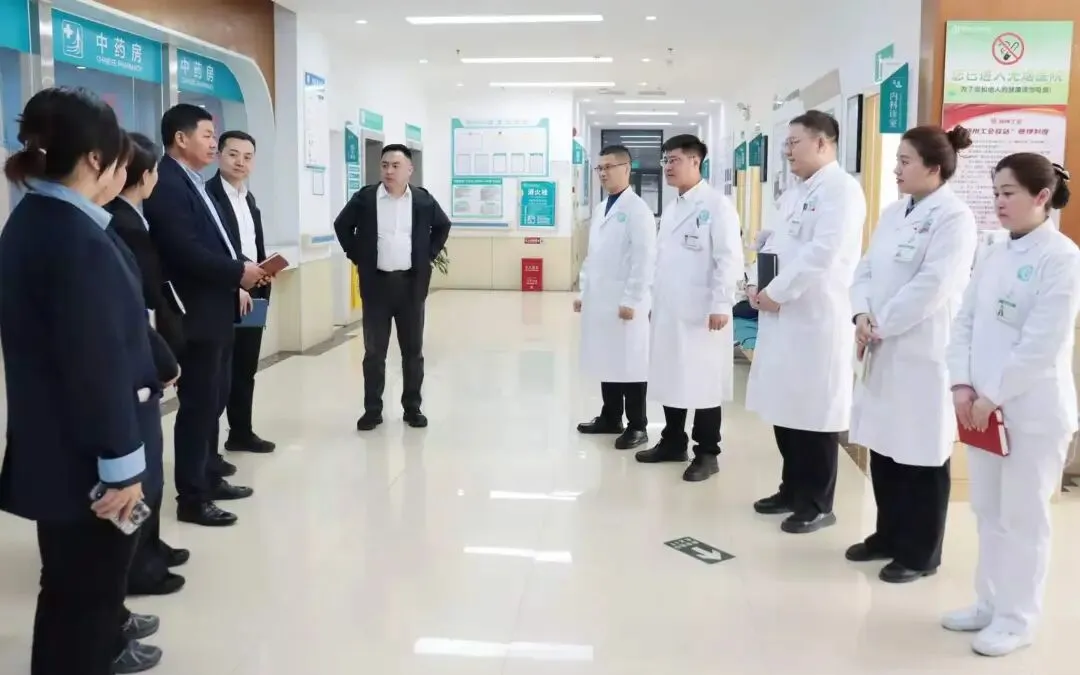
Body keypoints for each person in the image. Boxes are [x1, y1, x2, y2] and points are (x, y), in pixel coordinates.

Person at [0, 87, 161, 675]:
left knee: (69, 594)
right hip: (87, 463)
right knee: (85, 603)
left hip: (59, 449)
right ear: (96, 158)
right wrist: (121, 466)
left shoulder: (36, 220)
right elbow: (96, 363)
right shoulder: (74, 239)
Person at [943, 153, 1079, 657]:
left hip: (1032, 413)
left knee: (1024, 517)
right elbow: (965, 321)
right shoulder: (995, 250)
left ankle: (1018, 619)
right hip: (981, 410)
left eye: (1009, 193)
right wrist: (962, 386)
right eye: (996, 192)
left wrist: (992, 395)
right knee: (988, 511)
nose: (998, 202)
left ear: (1041, 197)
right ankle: (989, 603)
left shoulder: (1061, 258)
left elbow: (1041, 344)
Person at [845, 125, 978, 583]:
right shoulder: (893, 212)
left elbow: (933, 286)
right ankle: (888, 535)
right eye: (897, 160)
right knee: (885, 447)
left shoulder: (954, 218)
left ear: (934, 168)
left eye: (905, 162)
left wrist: (881, 323)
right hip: (882, 344)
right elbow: (865, 270)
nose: (896, 170)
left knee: (921, 453)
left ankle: (921, 553)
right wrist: (861, 314)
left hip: (922, 350)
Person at [144, 103, 266, 527]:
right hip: (194, 314)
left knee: (214, 398)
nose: (214, 143)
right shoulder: (167, 184)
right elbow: (184, 251)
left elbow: (213, 243)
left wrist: (238, 276)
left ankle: (210, 475)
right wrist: (237, 272)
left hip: (217, 308)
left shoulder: (190, 181)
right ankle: (192, 497)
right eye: (208, 135)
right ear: (181, 138)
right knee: (198, 406)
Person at [745, 110, 867, 533]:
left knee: (815, 415)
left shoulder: (842, 191)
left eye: (793, 142)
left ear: (822, 143)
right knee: (786, 407)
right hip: (783, 317)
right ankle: (791, 489)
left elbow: (822, 254)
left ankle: (818, 503)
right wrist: (755, 283)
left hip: (817, 319)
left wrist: (776, 292)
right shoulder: (796, 192)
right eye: (786, 143)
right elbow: (775, 244)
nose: (787, 151)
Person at [105, 131, 190, 597]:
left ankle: (150, 548)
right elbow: (139, 303)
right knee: (141, 474)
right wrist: (164, 356)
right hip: (138, 361)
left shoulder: (128, 219)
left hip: (146, 355)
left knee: (150, 470)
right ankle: (139, 563)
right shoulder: (121, 225)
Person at [634, 134, 744, 482]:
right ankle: (673, 442)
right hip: (670, 308)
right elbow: (662, 261)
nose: (668, 166)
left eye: (675, 160)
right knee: (672, 376)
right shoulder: (673, 208)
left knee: (704, 383)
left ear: (696, 161)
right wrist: (653, 300)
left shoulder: (717, 206)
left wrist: (721, 303)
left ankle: (707, 453)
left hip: (703, 313)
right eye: (665, 160)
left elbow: (729, 258)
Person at [333, 143, 452, 431]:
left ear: (409, 169)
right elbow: (341, 226)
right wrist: (357, 255)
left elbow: (443, 226)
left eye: (395, 166)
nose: (389, 170)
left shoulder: (422, 200)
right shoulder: (365, 199)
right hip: (377, 287)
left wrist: (428, 255)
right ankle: (372, 410)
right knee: (374, 353)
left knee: (413, 352)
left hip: (411, 286)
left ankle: (412, 408)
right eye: (384, 165)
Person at [574, 145, 657, 450]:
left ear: (626, 169)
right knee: (607, 359)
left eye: (609, 167)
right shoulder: (601, 209)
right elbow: (592, 257)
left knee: (631, 365)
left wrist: (632, 299)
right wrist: (584, 291)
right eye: (600, 168)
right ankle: (611, 417)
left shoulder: (638, 210)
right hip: (601, 300)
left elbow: (644, 259)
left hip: (626, 303)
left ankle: (638, 425)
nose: (603, 173)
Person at [207, 130, 276, 455]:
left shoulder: (249, 199)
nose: (240, 162)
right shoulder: (208, 197)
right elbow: (212, 250)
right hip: (225, 293)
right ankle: (208, 449)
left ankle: (241, 432)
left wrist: (264, 269)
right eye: (233, 154)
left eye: (247, 157)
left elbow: (250, 245)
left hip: (255, 293)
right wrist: (236, 279)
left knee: (246, 366)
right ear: (218, 155)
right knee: (219, 371)